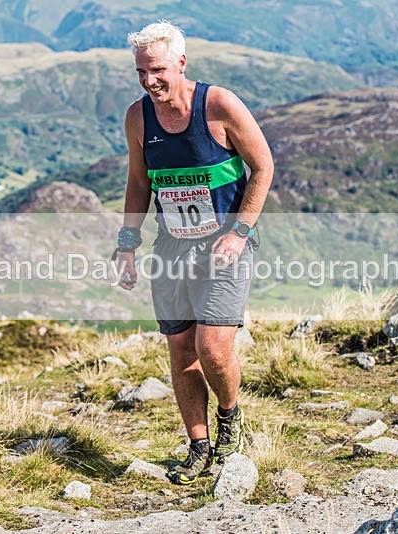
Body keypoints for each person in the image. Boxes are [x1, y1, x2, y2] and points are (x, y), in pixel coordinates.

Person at [115, 21, 273, 485]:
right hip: (171, 248)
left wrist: (239, 232)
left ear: (181, 63)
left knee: (212, 347)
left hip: (223, 245)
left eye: (158, 70)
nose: (149, 81)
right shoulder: (138, 118)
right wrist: (127, 244)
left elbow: (263, 166)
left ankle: (230, 417)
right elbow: (139, 182)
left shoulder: (219, 105)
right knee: (181, 349)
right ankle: (198, 447)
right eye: (141, 72)